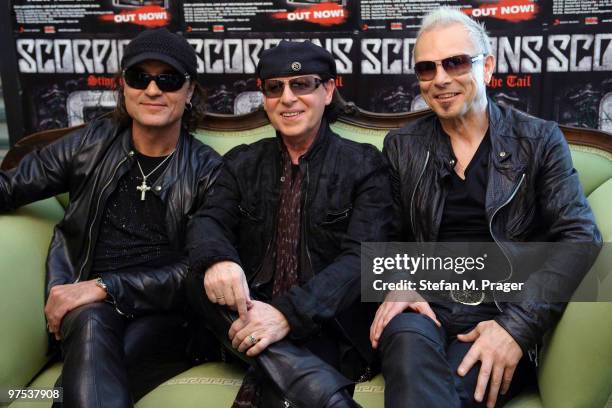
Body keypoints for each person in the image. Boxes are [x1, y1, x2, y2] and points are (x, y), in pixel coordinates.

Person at [370, 8, 601, 408]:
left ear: (488, 65)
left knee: (448, 392)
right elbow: (381, 234)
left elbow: (580, 238)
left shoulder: (539, 140)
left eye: (455, 62)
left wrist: (517, 327)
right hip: (421, 311)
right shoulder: (402, 146)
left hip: (499, 315)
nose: (440, 79)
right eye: (426, 68)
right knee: (408, 351)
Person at [0, 28, 222, 407]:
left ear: (189, 93)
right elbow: (12, 186)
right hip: (84, 308)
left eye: (168, 80)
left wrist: (105, 286)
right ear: (124, 86)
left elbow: (200, 267)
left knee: (89, 347)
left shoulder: (208, 170)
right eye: (140, 77)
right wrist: (92, 292)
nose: (153, 90)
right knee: (91, 323)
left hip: (166, 316)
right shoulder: (91, 143)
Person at [186, 40, 393, 407]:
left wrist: (286, 315)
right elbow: (206, 221)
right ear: (263, 97)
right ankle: (326, 396)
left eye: (302, 85)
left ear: (328, 90)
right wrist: (218, 260)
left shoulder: (363, 165)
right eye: (274, 87)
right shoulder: (241, 163)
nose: (287, 98)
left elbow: (363, 260)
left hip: (329, 327)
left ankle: (286, 365)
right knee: (197, 274)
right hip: (248, 316)